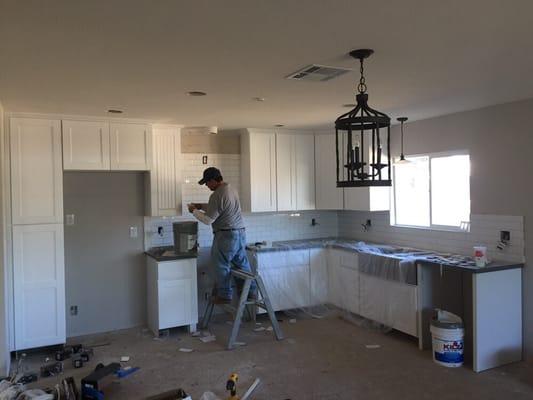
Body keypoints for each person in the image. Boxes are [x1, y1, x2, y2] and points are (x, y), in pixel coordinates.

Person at [188, 167, 256, 304]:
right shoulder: (230, 189)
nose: (207, 186)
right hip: (240, 232)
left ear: (213, 180)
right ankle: (250, 292)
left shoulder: (217, 194)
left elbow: (208, 220)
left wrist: (194, 211)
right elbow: (220, 207)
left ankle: (225, 295)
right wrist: (201, 206)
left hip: (226, 235)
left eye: (207, 183)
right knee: (241, 264)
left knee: (220, 264)